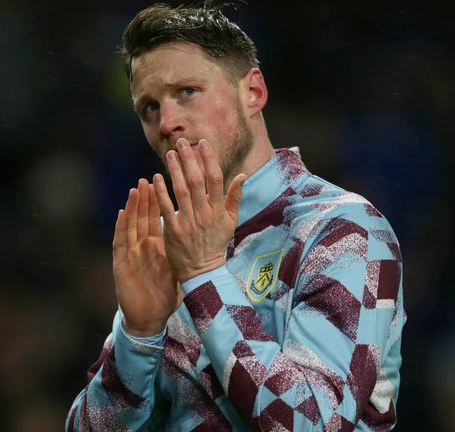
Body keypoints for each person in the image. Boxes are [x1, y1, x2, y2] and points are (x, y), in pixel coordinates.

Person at [66, 2, 405, 430]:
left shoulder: (343, 230)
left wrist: (205, 277)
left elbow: (311, 424)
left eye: (186, 91)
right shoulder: (166, 249)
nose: (167, 122)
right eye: (149, 108)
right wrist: (138, 336)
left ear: (253, 93)